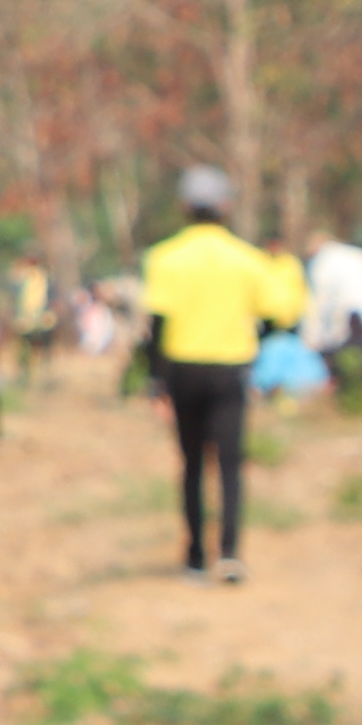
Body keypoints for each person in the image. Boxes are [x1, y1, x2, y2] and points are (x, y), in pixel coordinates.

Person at [137, 165, 276, 579]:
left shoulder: (164, 257)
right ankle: (230, 553)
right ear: (226, 207)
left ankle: (195, 555)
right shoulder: (248, 259)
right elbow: (270, 318)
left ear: (184, 207)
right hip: (231, 367)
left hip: (183, 368)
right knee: (231, 464)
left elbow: (156, 326)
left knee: (193, 463)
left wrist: (155, 381)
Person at [300, 229, 362, 404]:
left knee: (347, 356)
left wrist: (309, 339)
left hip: (349, 314)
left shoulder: (323, 262)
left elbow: (318, 301)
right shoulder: (358, 255)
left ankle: (349, 395)